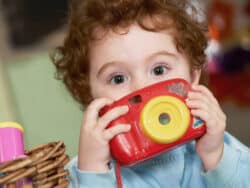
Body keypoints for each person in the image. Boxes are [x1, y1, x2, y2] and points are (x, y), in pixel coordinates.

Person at [52, 0, 250, 187]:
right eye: (118, 79)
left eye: (159, 70)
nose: (141, 88)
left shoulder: (218, 145)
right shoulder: (87, 169)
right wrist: (93, 173)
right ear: (90, 95)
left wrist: (216, 157)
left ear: (191, 76)